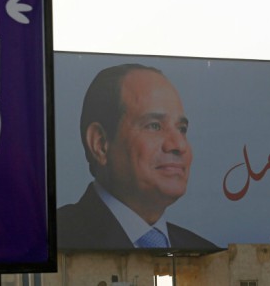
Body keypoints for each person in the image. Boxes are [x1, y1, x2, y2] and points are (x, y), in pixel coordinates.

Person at [57, 63, 217, 250]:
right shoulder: (56, 239)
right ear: (100, 144)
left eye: (182, 129)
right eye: (154, 126)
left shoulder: (206, 252)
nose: (179, 145)